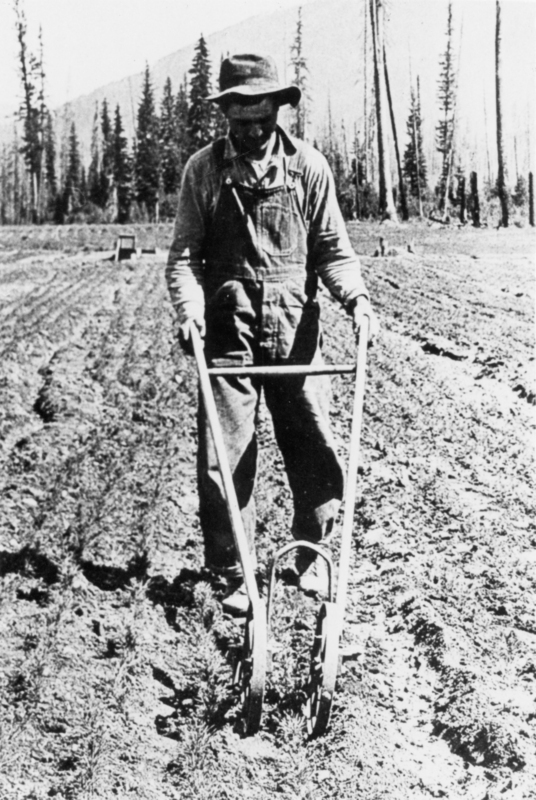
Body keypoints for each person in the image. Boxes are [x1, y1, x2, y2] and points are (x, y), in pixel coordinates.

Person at [166, 54, 378, 614]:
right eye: (242, 122)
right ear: (226, 115)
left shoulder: (309, 167)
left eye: (263, 119)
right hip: (227, 326)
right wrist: (189, 311)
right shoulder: (204, 172)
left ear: (278, 110)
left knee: (313, 443)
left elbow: (333, 250)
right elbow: (185, 257)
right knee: (225, 455)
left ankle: (310, 557)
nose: (253, 132)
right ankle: (236, 570)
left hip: (294, 326)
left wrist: (355, 299)